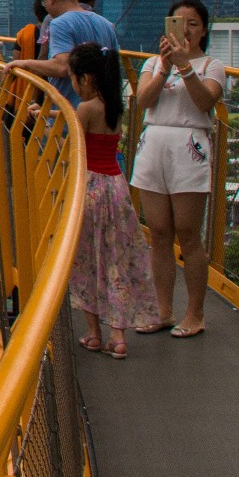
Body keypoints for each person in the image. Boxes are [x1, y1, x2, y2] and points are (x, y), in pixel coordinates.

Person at [130, 0, 225, 338]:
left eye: (193, 24)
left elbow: (204, 101)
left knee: (188, 233)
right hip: (154, 143)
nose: (185, 29)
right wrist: (167, 67)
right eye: (178, 23)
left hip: (189, 145)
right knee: (158, 233)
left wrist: (185, 67)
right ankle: (164, 310)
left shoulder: (210, 66)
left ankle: (195, 313)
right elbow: (143, 101)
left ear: (203, 31)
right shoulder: (154, 63)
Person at [66, 42, 161, 358]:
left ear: (86, 78)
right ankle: (118, 336)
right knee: (114, 261)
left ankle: (93, 333)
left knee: (85, 262)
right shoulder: (114, 106)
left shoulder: (84, 109)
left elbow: (75, 149)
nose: (73, 84)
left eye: (74, 78)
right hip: (116, 189)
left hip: (90, 189)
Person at [8, 0, 117, 105]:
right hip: (102, 113)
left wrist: (25, 63)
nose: (45, 5)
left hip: (68, 114)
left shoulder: (59, 23)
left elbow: (63, 67)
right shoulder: (107, 25)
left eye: (44, 0)